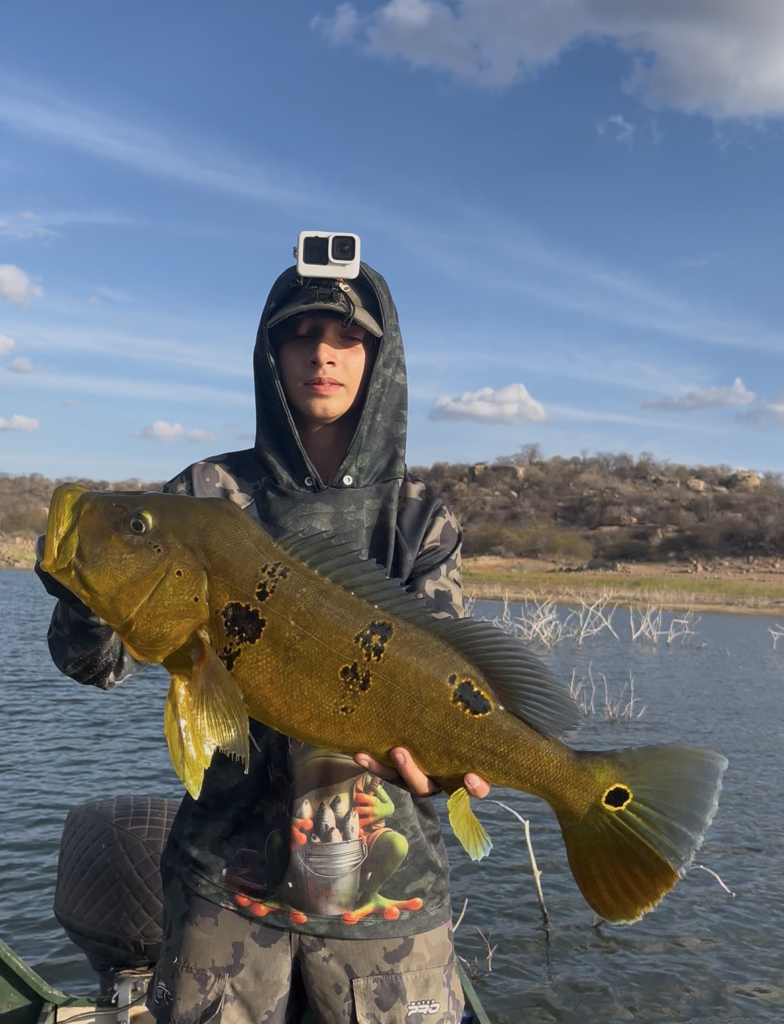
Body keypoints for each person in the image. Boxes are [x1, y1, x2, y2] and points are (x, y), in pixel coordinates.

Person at [37, 256, 490, 1024]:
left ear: (379, 360)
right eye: (300, 335)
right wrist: (84, 596)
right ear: (270, 354)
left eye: (347, 337)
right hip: (224, 889)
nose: (323, 354)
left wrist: (456, 759)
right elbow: (96, 664)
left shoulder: (421, 517)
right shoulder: (204, 495)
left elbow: (445, 676)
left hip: (387, 902)